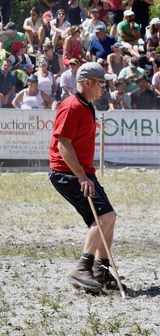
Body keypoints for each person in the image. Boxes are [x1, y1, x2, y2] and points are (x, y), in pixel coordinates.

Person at [49, 62, 122, 293]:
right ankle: (82, 268)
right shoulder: (71, 106)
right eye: (102, 83)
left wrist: (86, 174)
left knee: (109, 217)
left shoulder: (87, 105)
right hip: (68, 173)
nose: (105, 88)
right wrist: (81, 176)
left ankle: (100, 269)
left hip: (82, 172)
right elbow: (63, 143)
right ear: (87, 82)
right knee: (104, 216)